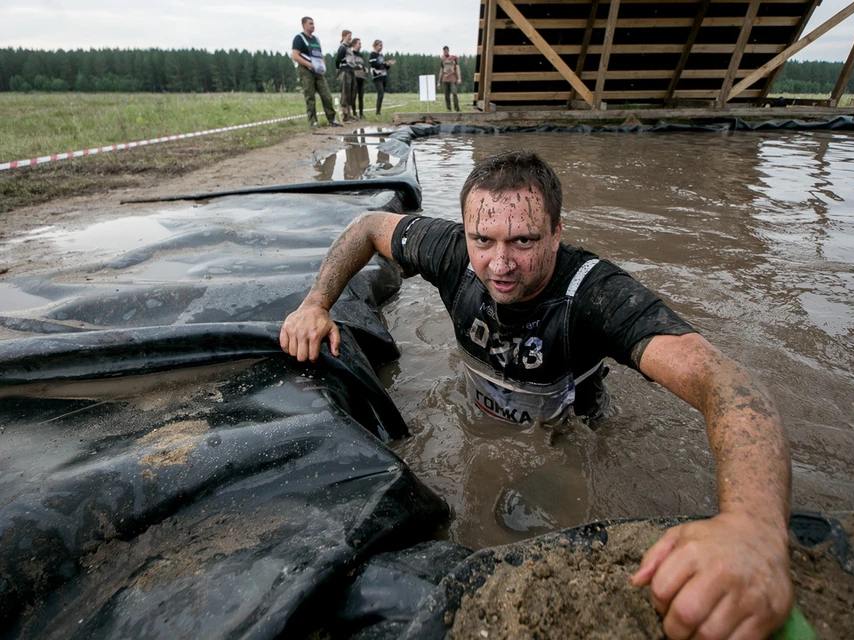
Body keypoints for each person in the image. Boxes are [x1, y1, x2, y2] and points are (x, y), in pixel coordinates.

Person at [280, 150, 794, 640]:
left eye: (523, 242)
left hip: (568, 431)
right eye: (483, 240)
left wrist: (752, 528)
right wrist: (315, 302)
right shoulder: (450, 251)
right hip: (480, 410)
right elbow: (370, 226)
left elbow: (724, 382)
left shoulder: (594, 295)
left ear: (556, 234)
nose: (499, 264)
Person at [290, 17, 341, 128]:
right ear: (304, 25)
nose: (313, 26)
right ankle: (313, 121)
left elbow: (320, 54)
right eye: (310, 24)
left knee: (326, 95)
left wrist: (323, 65)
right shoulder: (299, 38)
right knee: (310, 95)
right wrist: (309, 65)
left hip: (318, 71)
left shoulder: (316, 40)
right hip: (305, 70)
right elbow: (295, 55)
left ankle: (331, 119)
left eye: (313, 24)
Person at [368, 40, 396, 117]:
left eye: (382, 45)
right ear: (375, 46)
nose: (381, 47)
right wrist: (384, 63)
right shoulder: (373, 55)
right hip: (377, 76)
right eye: (380, 45)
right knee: (380, 92)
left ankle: (379, 111)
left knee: (382, 93)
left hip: (383, 76)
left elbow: (384, 67)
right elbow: (374, 64)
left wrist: (388, 64)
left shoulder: (380, 55)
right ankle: (377, 112)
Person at [335, 29, 356, 121]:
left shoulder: (349, 48)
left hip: (351, 71)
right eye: (348, 36)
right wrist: (339, 71)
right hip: (345, 71)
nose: (350, 38)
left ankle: (349, 114)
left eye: (351, 36)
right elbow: (337, 60)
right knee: (345, 93)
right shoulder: (342, 48)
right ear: (344, 37)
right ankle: (345, 115)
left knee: (351, 93)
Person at [346, 38, 368, 119]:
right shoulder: (351, 54)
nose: (360, 45)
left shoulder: (361, 55)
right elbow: (350, 65)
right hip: (354, 76)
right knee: (353, 96)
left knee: (361, 96)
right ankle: (354, 113)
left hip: (362, 77)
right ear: (354, 44)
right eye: (359, 43)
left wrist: (365, 69)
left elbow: (363, 65)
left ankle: (361, 114)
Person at [438, 46, 461, 112]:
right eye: (444, 51)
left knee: (454, 93)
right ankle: (448, 109)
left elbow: (457, 68)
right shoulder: (442, 59)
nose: (445, 52)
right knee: (446, 95)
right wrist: (439, 81)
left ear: (448, 50)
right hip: (445, 79)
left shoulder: (453, 58)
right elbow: (441, 70)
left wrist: (459, 78)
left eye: (446, 50)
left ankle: (457, 109)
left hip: (452, 77)